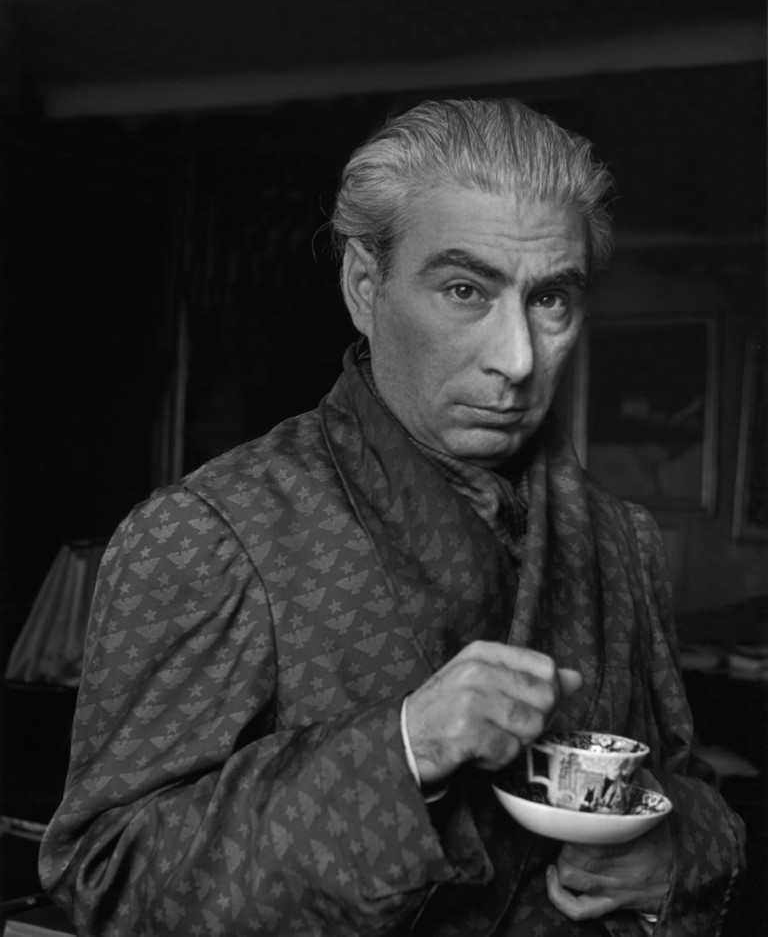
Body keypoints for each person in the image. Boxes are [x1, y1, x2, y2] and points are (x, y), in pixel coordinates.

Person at [39, 98, 745, 936]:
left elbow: (684, 788)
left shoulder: (621, 539)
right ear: (363, 287)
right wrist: (407, 747)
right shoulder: (210, 531)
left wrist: (672, 859)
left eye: (551, 299)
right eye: (464, 290)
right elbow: (107, 875)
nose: (517, 359)